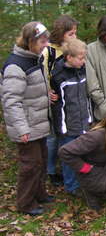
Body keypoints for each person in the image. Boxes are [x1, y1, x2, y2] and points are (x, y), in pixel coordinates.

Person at [0, 22, 53, 215]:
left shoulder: (33, 59)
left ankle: (39, 193)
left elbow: (32, 90)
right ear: (30, 41)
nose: (46, 44)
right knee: (30, 165)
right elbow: (11, 101)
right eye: (42, 41)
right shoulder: (15, 65)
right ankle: (25, 203)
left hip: (37, 122)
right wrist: (22, 129)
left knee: (41, 160)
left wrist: (48, 94)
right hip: (27, 126)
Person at [50, 38, 92, 196]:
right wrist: (62, 129)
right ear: (69, 58)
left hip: (83, 123)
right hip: (68, 127)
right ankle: (71, 186)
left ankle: (83, 182)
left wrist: (89, 118)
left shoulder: (83, 70)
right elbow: (58, 106)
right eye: (81, 58)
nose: (84, 61)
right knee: (69, 158)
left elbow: (86, 97)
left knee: (84, 154)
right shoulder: (59, 76)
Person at [43, 14, 79, 187]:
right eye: (71, 34)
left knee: (63, 136)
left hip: (68, 100)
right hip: (53, 100)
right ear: (61, 33)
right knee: (52, 137)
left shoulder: (71, 49)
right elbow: (41, 75)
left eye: (75, 33)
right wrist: (47, 92)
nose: (74, 37)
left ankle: (64, 170)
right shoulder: (48, 51)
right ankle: (50, 170)